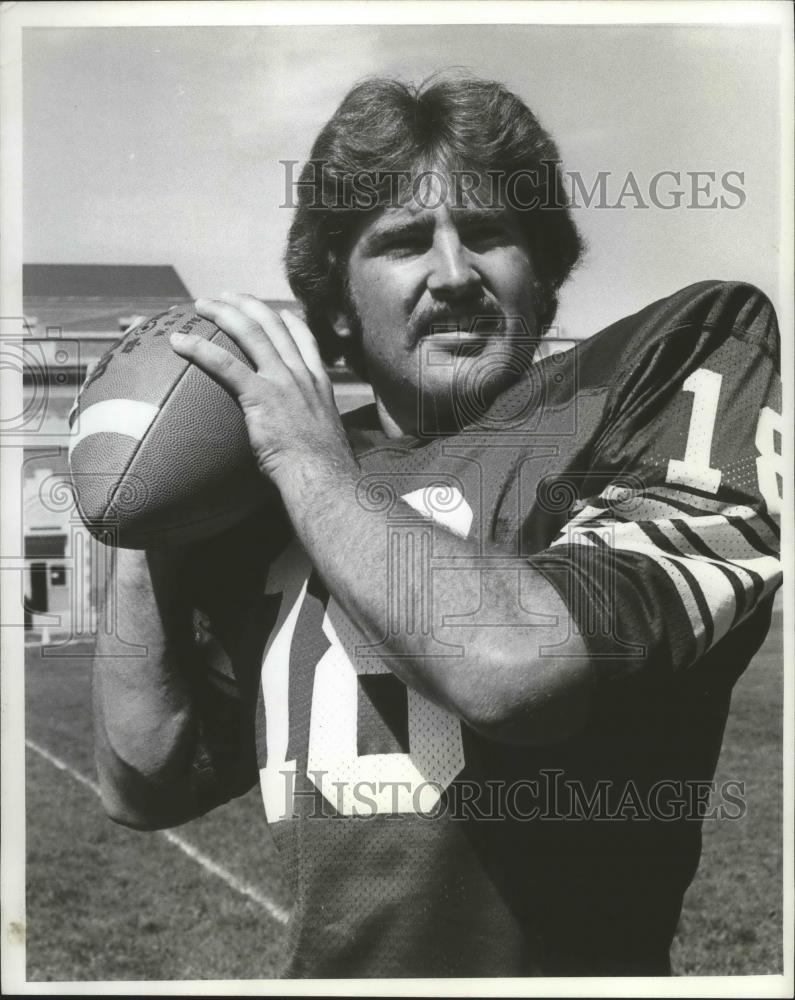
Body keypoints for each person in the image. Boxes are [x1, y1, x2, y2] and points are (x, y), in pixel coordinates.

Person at [92, 75, 782, 977]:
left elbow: (515, 670)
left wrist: (309, 466)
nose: (454, 275)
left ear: (542, 272)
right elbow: (143, 782)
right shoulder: (291, 487)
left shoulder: (670, 366)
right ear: (336, 302)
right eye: (405, 242)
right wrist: (152, 510)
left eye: (489, 234)